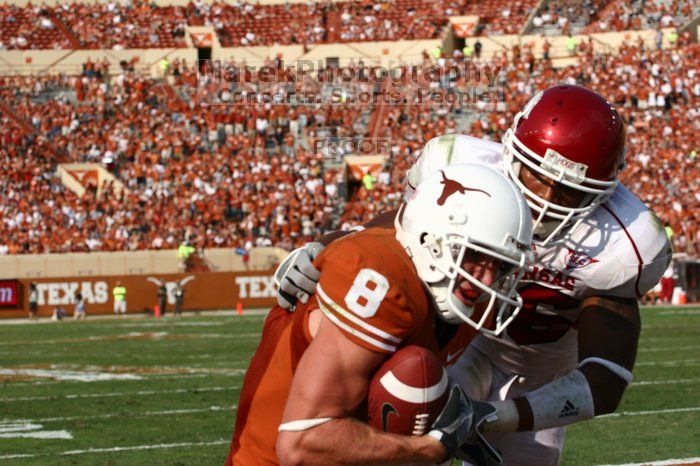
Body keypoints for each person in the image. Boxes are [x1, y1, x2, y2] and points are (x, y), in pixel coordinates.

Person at [276, 86, 672, 465]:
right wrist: (327, 249)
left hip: (542, 373)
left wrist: (496, 416)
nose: (545, 200)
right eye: (536, 176)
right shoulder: (461, 165)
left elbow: (606, 377)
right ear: (511, 153)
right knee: (401, 445)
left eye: (570, 191)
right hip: (463, 344)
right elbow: (401, 231)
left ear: (602, 191)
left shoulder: (628, 241)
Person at [227, 164, 535, 465]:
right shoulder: (379, 277)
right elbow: (302, 444)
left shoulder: (470, 297)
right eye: (474, 255)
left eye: (501, 265)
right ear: (430, 236)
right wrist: (430, 449)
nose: (485, 278)